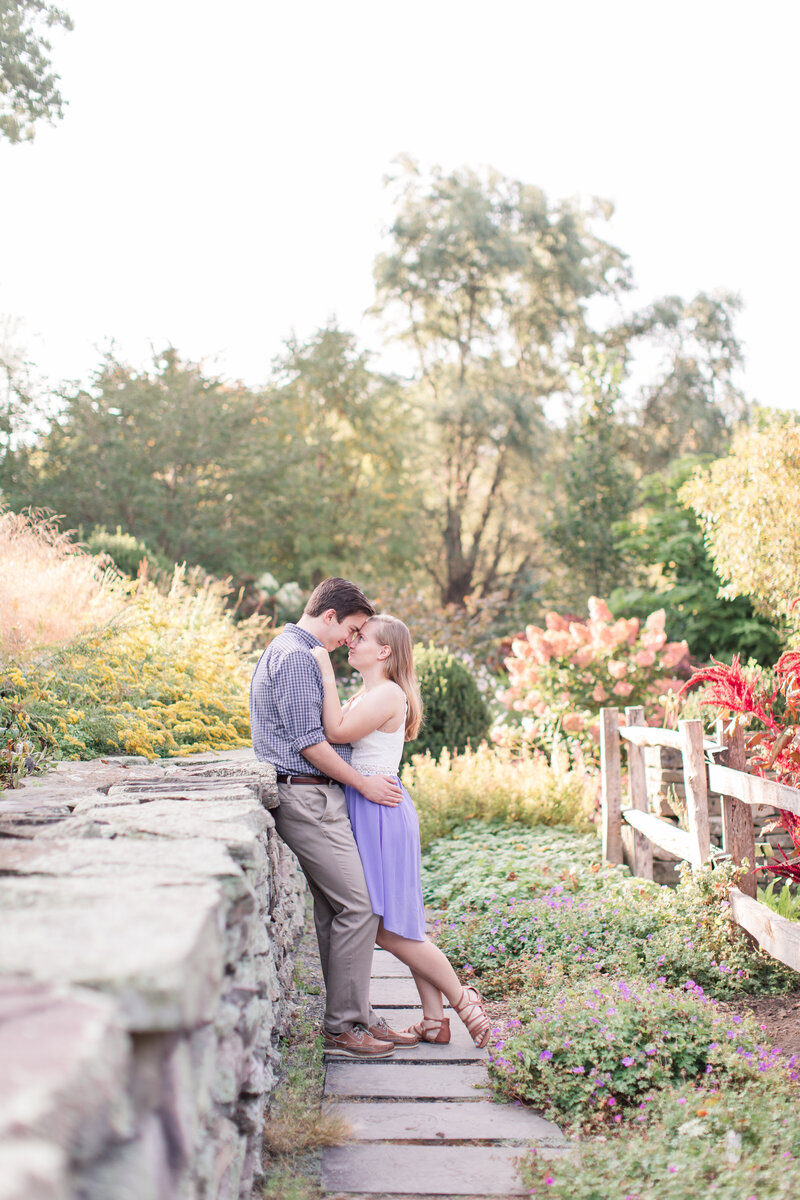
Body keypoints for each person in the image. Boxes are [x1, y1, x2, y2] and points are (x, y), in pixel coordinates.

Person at [249, 578, 417, 1059]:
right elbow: (311, 743)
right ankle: (344, 1027)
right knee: (358, 908)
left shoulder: (295, 652)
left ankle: (357, 1015)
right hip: (308, 799)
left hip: (315, 797)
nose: (351, 639)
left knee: (335, 910)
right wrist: (363, 783)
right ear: (329, 617)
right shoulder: (299, 658)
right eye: (352, 628)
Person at [312, 613, 491, 1048]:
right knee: (403, 925)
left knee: (386, 928)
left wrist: (324, 670)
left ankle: (461, 998)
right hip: (372, 804)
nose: (351, 643)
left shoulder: (388, 693)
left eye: (361, 638)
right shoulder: (372, 693)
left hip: (379, 811)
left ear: (385, 651)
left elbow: (335, 731)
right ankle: (434, 1021)